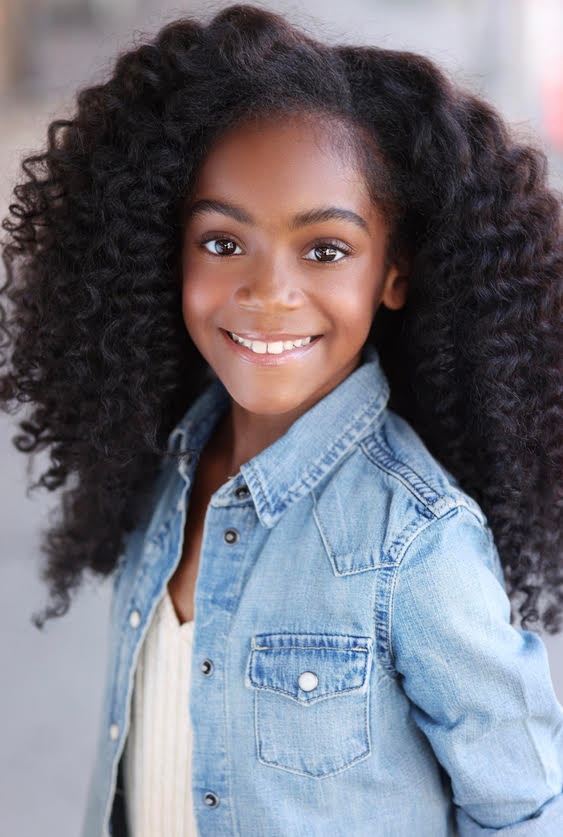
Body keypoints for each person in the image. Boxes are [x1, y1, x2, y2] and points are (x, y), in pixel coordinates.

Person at [1, 4, 562, 835]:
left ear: (393, 274)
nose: (268, 293)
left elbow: (523, 810)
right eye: (223, 243)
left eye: (325, 249)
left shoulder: (415, 543)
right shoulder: (173, 472)